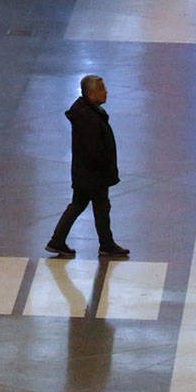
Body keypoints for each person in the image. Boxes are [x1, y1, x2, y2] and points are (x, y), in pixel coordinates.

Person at [47, 74, 129, 259]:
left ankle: (57, 240)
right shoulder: (89, 117)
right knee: (100, 208)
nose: (106, 92)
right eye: (102, 89)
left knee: (80, 205)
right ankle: (106, 245)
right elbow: (94, 149)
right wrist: (104, 169)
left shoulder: (87, 112)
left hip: (85, 173)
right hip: (93, 175)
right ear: (91, 94)